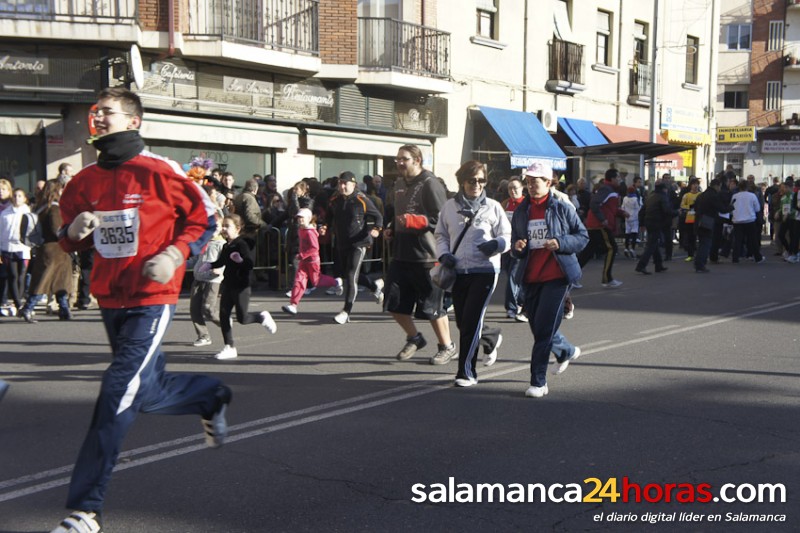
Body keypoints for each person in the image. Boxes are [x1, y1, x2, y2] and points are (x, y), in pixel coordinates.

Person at [53, 87, 231, 533]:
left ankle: (85, 510)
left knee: (118, 389)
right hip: (110, 296)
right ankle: (210, 396)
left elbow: (205, 217)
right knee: (145, 390)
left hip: (153, 297)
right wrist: (73, 230)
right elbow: (67, 236)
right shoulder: (84, 180)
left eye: (107, 113)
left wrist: (175, 254)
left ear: (133, 121)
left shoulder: (160, 170)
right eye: (95, 114)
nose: (98, 120)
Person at [510, 161, 588, 398]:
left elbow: (582, 237)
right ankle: (566, 350)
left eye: (536, 181)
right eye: (528, 181)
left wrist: (561, 243)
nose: (531, 186)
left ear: (548, 182)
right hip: (530, 277)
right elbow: (516, 245)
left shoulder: (562, 207)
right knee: (538, 327)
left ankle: (538, 381)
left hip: (557, 276)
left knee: (543, 331)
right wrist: (519, 246)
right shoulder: (522, 210)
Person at [435, 161, 509, 386]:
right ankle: (491, 337)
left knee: (471, 321)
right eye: (472, 180)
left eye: (481, 180)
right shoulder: (449, 207)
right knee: (463, 321)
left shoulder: (493, 206)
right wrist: (443, 254)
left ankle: (466, 372)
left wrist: (496, 244)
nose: (477, 184)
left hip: (485, 270)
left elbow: (506, 234)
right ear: (462, 181)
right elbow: (441, 235)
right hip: (458, 271)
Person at [384, 144, 457, 365]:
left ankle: (447, 346)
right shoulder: (398, 184)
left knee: (431, 307)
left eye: (403, 159)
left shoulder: (430, 183)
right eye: (397, 159)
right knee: (393, 303)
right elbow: (396, 215)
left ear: (417, 160)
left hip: (427, 255)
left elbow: (444, 219)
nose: (399, 162)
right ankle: (415, 338)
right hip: (401, 254)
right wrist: (390, 228)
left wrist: (417, 221)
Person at [197, 213, 277, 360]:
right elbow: (221, 262)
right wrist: (209, 265)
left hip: (241, 286)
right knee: (223, 315)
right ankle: (229, 347)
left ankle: (261, 317)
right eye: (223, 226)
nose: (224, 229)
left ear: (238, 228)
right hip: (228, 284)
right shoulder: (227, 245)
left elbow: (249, 264)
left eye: (227, 226)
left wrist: (240, 260)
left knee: (243, 318)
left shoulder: (242, 244)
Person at [320, 171, 384, 324]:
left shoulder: (361, 199)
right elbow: (329, 216)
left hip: (359, 243)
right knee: (346, 274)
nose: (342, 186)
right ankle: (374, 286)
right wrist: (325, 226)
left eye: (345, 183)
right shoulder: (335, 199)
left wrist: (377, 229)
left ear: (353, 184)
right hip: (342, 242)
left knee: (350, 276)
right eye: (340, 183)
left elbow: (378, 216)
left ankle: (346, 311)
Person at [18, 180, 74, 322]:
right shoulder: (55, 208)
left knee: (57, 281)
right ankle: (28, 308)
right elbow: (57, 230)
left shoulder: (41, 207)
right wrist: (70, 233)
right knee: (44, 281)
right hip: (57, 249)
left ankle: (64, 310)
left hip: (45, 248)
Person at [282, 208, 340, 315]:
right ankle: (293, 305)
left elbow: (314, 248)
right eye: (298, 218)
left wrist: (302, 255)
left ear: (309, 219)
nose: (300, 220)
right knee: (299, 281)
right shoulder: (301, 230)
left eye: (302, 218)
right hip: (304, 262)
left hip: (312, 261)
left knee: (316, 281)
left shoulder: (310, 232)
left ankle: (336, 282)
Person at [578, 168, 628, 287]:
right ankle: (607, 278)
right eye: (618, 178)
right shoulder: (607, 189)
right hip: (599, 225)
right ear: (612, 179)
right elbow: (594, 203)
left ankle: (570, 277)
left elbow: (611, 209)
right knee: (612, 248)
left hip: (596, 224)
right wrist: (602, 219)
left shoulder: (611, 190)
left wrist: (622, 213)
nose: (620, 180)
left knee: (588, 252)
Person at [189, 210, 225, 347]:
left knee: (208, 309)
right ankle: (203, 336)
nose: (214, 229)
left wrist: (218, 270)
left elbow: (225, 262)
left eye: (218, 226)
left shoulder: (222, 244)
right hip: (198, 278)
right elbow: (193, 260)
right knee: (194, 309)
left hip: (212, 281)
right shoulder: (202, 242)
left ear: (222, 227)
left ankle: (225, 324)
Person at [0, 187, 32, 314]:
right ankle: (18, 304)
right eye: (15, 196)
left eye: (20, 196)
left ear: (24, 198)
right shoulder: (5, 213)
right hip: (8, 248)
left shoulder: (28, 212)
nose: (17, 198)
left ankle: (19, 300)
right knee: (13, 275)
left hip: (23, 248)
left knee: (22, 275)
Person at [501, 177, 527, 321]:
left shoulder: (526, 204)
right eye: (510, 188)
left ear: (522, 188)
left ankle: (511, 307)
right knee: (511, 274)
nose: (513, 191)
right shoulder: (505, 204)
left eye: (516, 188)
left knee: (513, 276)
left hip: (519, 245)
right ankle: (522, 301)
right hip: (506, 245)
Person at [692, 178, 733, 273]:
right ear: (717, 186)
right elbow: (721, 209)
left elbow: (695, 207)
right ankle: (700, 265)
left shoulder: (701, 195)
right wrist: (730, 207)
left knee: (702, 243)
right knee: (706, 244)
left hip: (698, 221)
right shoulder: (713, 196)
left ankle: (698, 263)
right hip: (708, 222)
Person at [635, 183, 672, 275]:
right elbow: (666, 210)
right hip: (657, 222)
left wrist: (642, 223)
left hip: (649, 222)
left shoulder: (650, 196)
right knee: (651, 245)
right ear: (664, 189)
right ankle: (641, 265)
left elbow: (642, 211)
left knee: (654, 244)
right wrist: (676, 212)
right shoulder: (662, 197)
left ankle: (658, 265)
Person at [730, 182, 765, 264]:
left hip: (737, 220)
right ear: (747, 187)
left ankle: (735, 258)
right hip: (749, 220)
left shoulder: (734, 196)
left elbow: (731, 208)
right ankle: (757, 257)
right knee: (753, 240)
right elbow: (757, 208)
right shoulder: (752, 196)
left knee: (738, 240)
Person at [621, 186, 641, 258]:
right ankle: (632, 248)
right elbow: (638, 208)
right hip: (634, 218)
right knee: (634, 233)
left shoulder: (625, 198)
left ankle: (626, 248)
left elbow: (622, 207)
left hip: (627, 217)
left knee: (627, 233)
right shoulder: (635, 199)